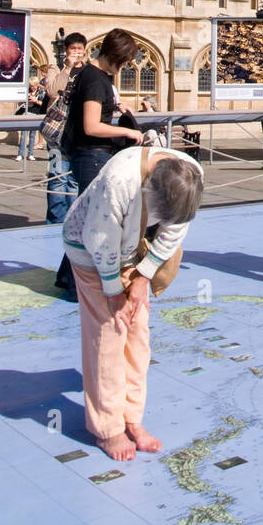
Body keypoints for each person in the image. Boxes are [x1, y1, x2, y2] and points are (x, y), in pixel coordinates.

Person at [63, 143, 204, 461]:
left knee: (138, 335)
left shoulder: (191, 176)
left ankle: (131, 418)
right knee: (108, 333)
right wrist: (113, 293)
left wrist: (142, 278)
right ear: (149, 188)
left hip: (129, 253)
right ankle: (107, 428)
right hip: (90, 251)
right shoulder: (120, 180)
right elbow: (100, 240)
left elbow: (173, 231)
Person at [54, 29, 143, 298]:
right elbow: (91, 126)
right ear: (116, 56)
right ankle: (74, 286)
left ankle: (67, 279)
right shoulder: (94, 80)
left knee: (85, 222)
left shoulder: (92, 75)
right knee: (91, 226)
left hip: (90, 156)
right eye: (125, 61)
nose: (125, 66)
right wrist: (127, 132)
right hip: (92, 156)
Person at [42, 33, 87, 225]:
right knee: (57, 178)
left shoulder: (87, 71)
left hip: (77, 132)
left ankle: (72, 221)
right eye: (73, 49)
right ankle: (55, 221)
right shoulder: (55, 68)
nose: (76, 53)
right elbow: (52, 91)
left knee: (74, 181)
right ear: (65, 51)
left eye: (79, 49)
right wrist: (67, 68)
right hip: (56, 134)